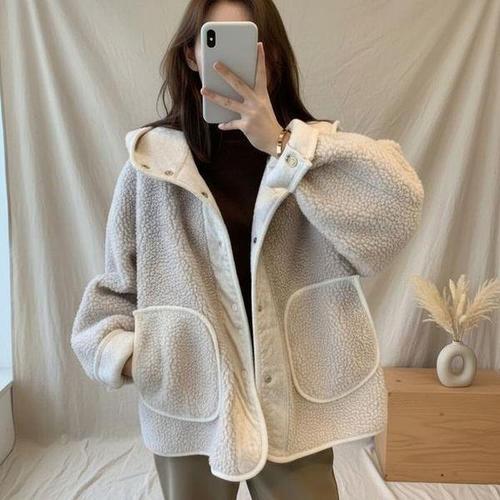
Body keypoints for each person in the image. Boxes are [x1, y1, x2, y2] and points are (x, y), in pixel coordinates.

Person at [71, 1, 425, 499]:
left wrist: (282, 144)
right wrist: (145, 358)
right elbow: (111, 298)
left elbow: (400, 204)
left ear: (271, 57)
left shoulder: (309, 156)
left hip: (293, 404)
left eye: (248, 43)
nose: (228, 61)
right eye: (213, 40)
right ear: (191, 55)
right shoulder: (151, 167)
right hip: (190, 402)